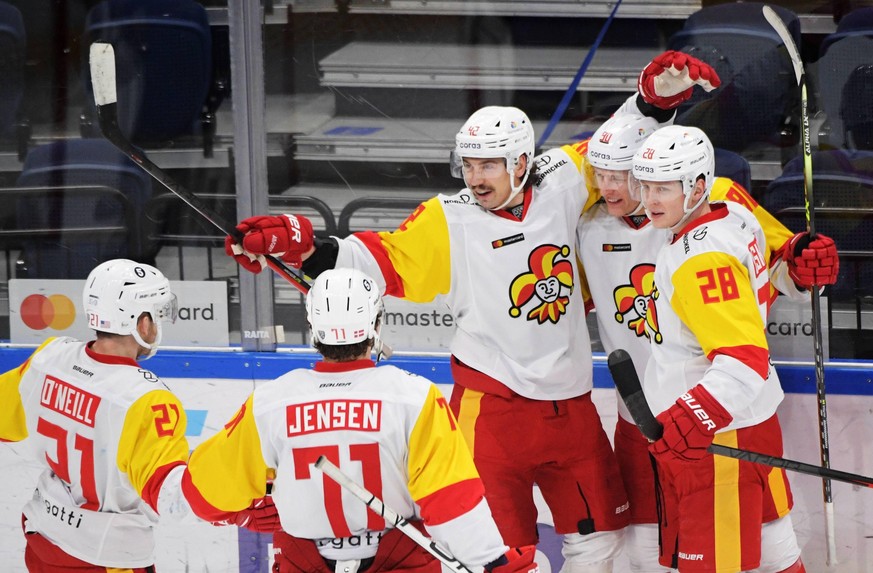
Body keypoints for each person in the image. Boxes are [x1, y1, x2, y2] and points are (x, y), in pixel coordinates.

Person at [223, 52, 720, 573]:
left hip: (571, 409)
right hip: (491, 414)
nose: (475, 178)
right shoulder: (448, 219)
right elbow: (378, 259)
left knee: (600, 545)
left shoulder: (564, 180)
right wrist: (302, 246)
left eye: (488, 165)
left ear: (523, 164)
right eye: (469, 164)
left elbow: (614, 143)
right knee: (501, 556)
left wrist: (654, 99)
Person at [576, 116, 840, 572]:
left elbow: (743, 358)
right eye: (646, 184)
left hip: (718, 436)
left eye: (663, 189)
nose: (647, 198)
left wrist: (691, 417)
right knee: (775, 546)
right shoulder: (733, 214)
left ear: (697, 187)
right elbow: (765, 283)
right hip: (749, 421)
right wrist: (794, 268)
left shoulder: (700, 260)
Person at [181, 268, 537, 573]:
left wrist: (244, 516)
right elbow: (451, 502)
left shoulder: (272, 402)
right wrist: (492, 563)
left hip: (304, 562)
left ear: (311, 326)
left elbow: (202, 494)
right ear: (376, 323)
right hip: (400, 559)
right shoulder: (414, 397)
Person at [0, 260, 201, 571]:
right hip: (104, 558)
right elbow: (172, 500)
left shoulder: (50, 357)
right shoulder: (148, 399)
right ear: (142, 322)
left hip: (42, 541)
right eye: (157, 316)